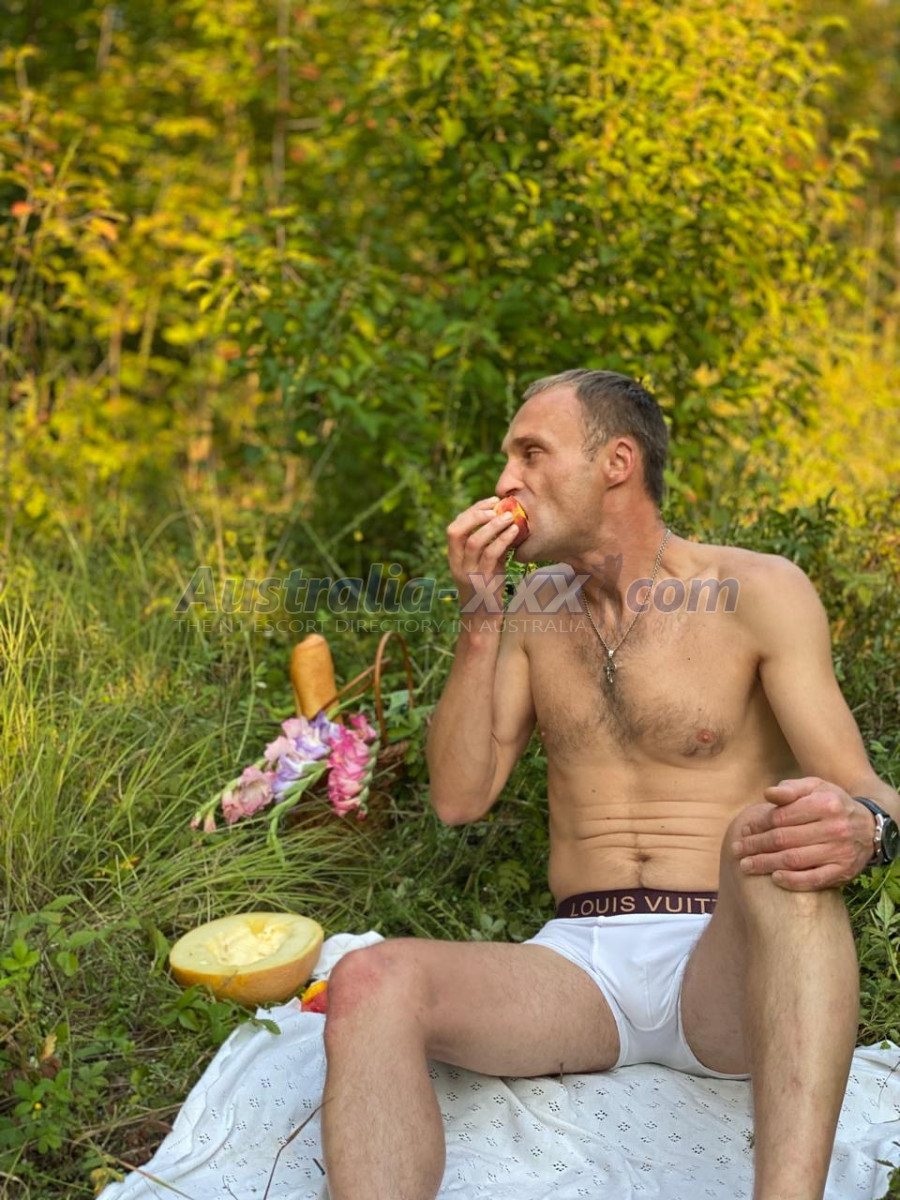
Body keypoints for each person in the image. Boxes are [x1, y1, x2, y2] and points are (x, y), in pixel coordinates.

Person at [320, 368, 900, 1200]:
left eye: (531, 454)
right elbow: (458, 798)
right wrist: (479, 619)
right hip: (580, 967)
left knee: (774, 840)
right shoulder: (532, 610)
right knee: (369, 980)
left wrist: (867, 827)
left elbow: (863, 785)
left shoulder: (758, 592)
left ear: (617, 462)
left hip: (723, 964)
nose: (505, 481)